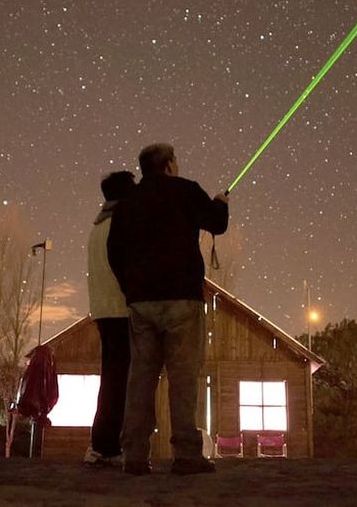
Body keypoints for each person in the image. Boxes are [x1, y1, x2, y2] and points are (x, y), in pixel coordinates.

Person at [107, 143, 229, 475]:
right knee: (183, 378)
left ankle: (133, 455)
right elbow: (216, 224)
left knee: (141, 379)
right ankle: (187, 455)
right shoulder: (186, 191)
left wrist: (129, 288)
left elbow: (114, 251)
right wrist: (220, 202)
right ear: (170, 165)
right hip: (182, 299)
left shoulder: (127, 202)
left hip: (142, 302)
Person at [83, 171, 137, 467]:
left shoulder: (98, 225)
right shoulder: (121, 223)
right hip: (120, 310)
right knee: (122, 381)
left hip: (103, 311)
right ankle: (109, 445)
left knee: (112, 379)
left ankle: (103, 443)